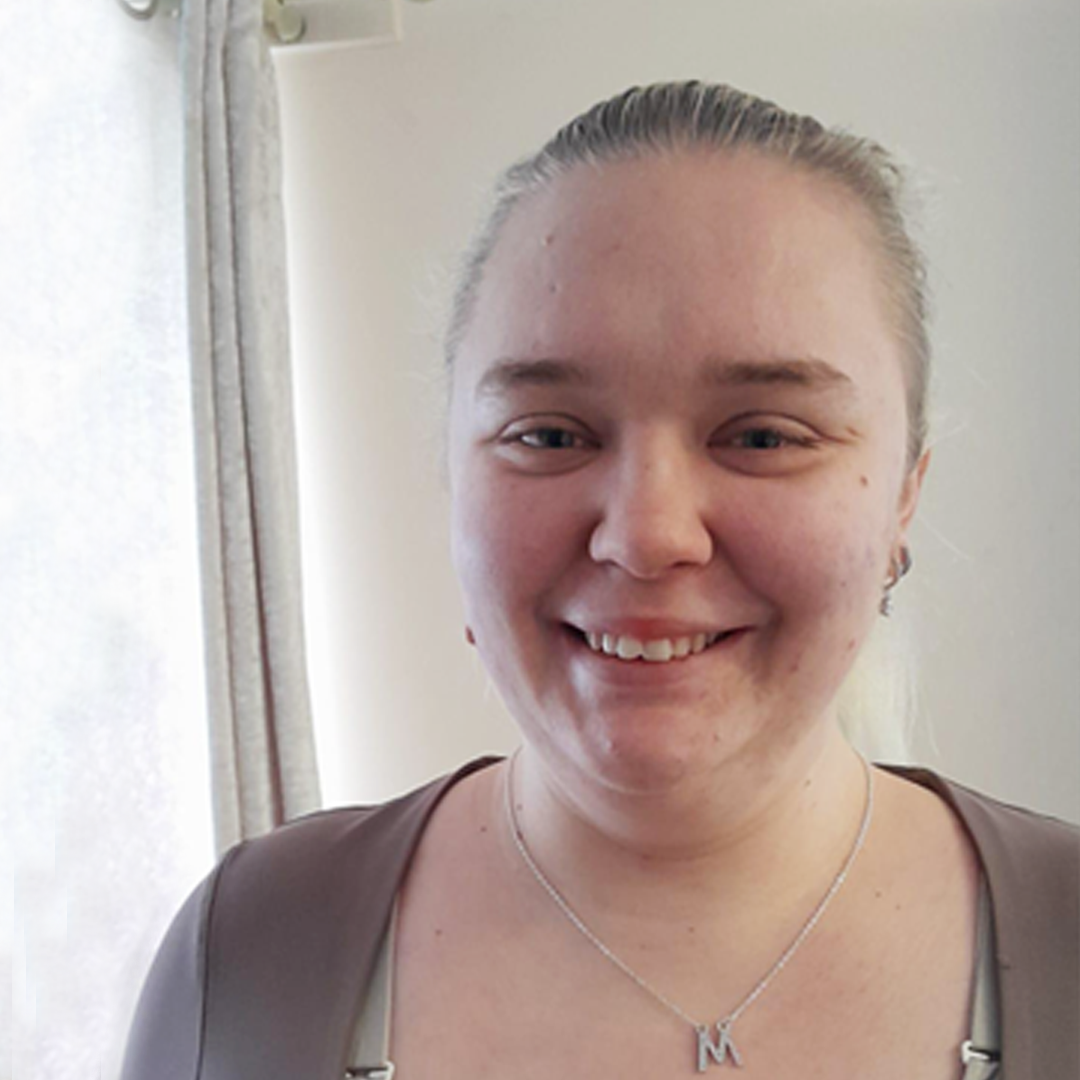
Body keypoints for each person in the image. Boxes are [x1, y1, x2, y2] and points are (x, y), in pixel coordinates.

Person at [121, 81, 1077, 1080]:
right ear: (453, 479)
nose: (646, 536)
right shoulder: (247, 953)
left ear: (904, 500)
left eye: (761, 435)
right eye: (548, 435)